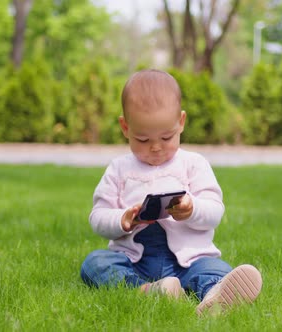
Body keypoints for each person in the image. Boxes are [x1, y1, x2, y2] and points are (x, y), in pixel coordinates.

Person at [80, 69, 262, 315]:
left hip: (189, 260)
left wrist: (192, 209)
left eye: (167, 137)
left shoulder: (193, 164)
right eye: (142, 139)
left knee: (213, 268)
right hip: (135, 262)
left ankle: (215, 295)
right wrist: (122, 220)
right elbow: (98, 216)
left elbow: (215, 211)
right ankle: (147, 290)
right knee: (95, 264)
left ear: (181, 123)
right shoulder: (119, 169)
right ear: (125, 126)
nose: (155, 148)